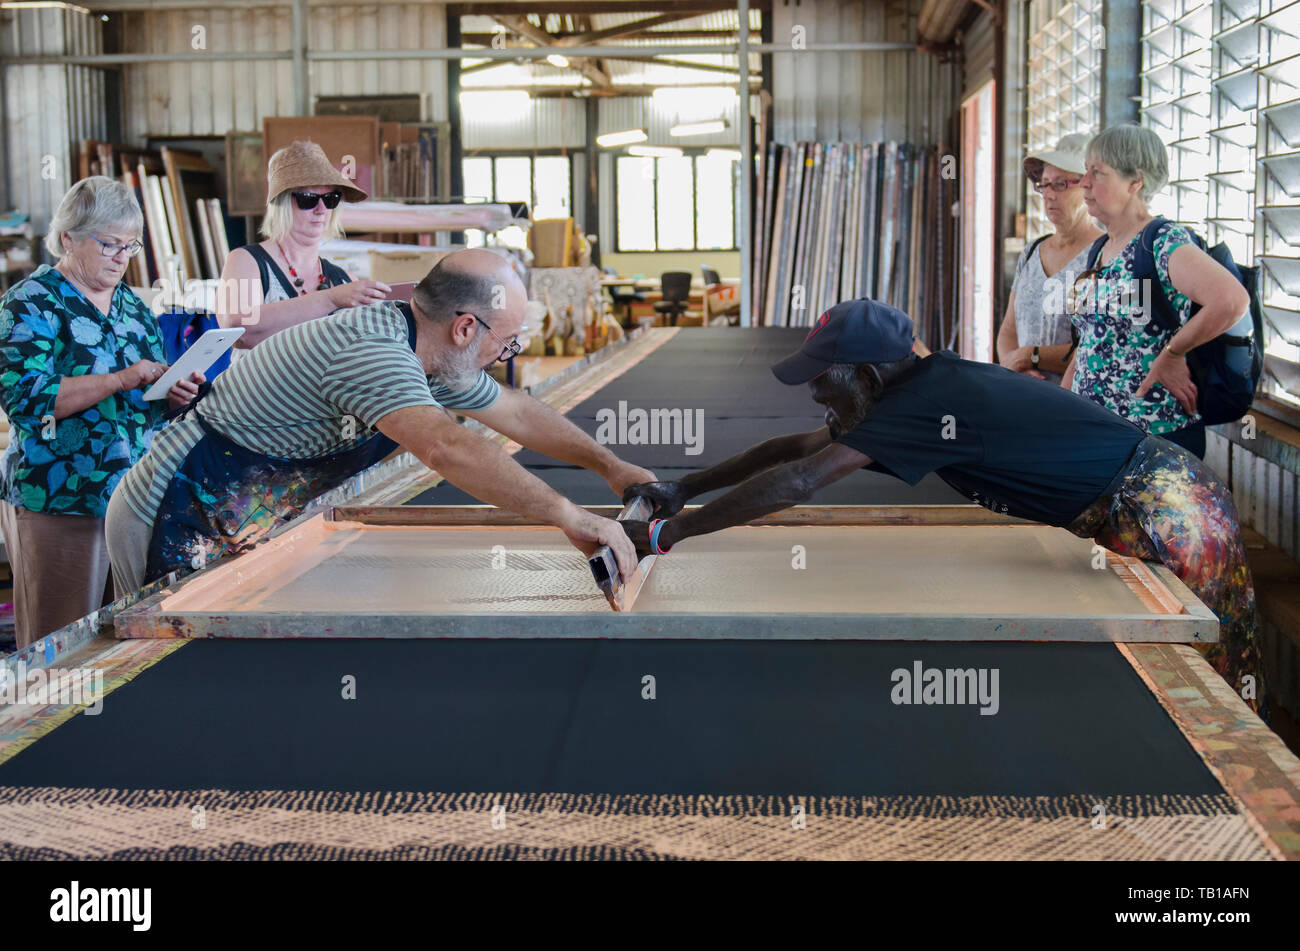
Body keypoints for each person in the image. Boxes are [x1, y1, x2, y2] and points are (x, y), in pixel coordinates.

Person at [619, 299, 1262, 708]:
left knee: (1209, 678)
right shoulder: (912, 388)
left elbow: (802, 480)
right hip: (1146, 494)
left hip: (1166, 505)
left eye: (823, 383)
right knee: (1190, 665)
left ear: (866, 378)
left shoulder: (921, 404)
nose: (817, 398)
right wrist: (681, 489)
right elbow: (794, 448)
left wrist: (667, 536)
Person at [106, 249, 654, 594]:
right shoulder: (373, 353)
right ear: (465, 328)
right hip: (175, 508)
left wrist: (611, 465)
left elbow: (513, 410)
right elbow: (447, 448)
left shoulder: (432, 350)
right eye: (506, 342)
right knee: (176, 664)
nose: (506, 352)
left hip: (241, 512)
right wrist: (568, 515)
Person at [0, 177, 202, 647]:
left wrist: (170, 396)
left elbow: (144, 406)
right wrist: (120, 379)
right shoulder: (29, 303)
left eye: (130, 246)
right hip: (60, 500)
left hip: (132, 498)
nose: (121, 257)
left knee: (124, 637)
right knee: (60, 642)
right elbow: (27, 401)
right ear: (68, 238)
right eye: (109, 244)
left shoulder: (133, 307)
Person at [1063, 125, 1249, 459]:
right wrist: (1061, 408)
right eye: (1085, 172)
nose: (1084, 183)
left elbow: (1231, 300)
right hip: (1096, 435)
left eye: (1097, 173)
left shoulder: (1162, 242)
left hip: (1153, 441)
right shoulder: (1102, 248)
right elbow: (1090, 342)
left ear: (1135, 182)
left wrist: (1173, 354)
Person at [216, 140, 392, 347]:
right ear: (281, 203)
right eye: (308, 199)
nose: (321, 209)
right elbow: (237, 329)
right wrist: (330, 299)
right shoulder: (246, 261)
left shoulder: (344, 281)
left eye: (330, 198)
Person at [996, 134, 1102, 384]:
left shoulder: (1104, 253)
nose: (1049, 195)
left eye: (1061, 184)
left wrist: (1028, 356)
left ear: (1088, 186)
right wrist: (1016, 367)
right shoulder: (1032, 250)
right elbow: (1008, 330)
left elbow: (1097, 347)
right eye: (1044, 185)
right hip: (1024, 394)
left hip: (1075, 403)